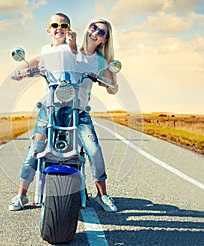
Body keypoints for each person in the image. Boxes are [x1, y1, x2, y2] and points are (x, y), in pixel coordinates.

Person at [9, 12, 76, 211]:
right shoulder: (46, 50)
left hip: (71, 107)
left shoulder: (74, 49)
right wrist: (22, 72)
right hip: (49, 108)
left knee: (76, 150)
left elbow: (75, 55)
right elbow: (38, 65)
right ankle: (21, 195)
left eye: (64, 25)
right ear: (49, 30)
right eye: (55, 25)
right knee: (35, 149)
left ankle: (85, 191)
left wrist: (73, 44)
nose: (59, 28)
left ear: (69, 29)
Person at [73, 18, 118, 212]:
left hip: (81, 113)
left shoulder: (100, 61)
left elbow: (113, 90)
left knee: (93, 150)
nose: (95, 33)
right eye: (94, 28)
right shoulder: (70, 51)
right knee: (38, 145)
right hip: (57, 110)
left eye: (101, 32)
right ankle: (22, 194)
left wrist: (110, 77)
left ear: (104, 40)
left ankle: (103, 195)